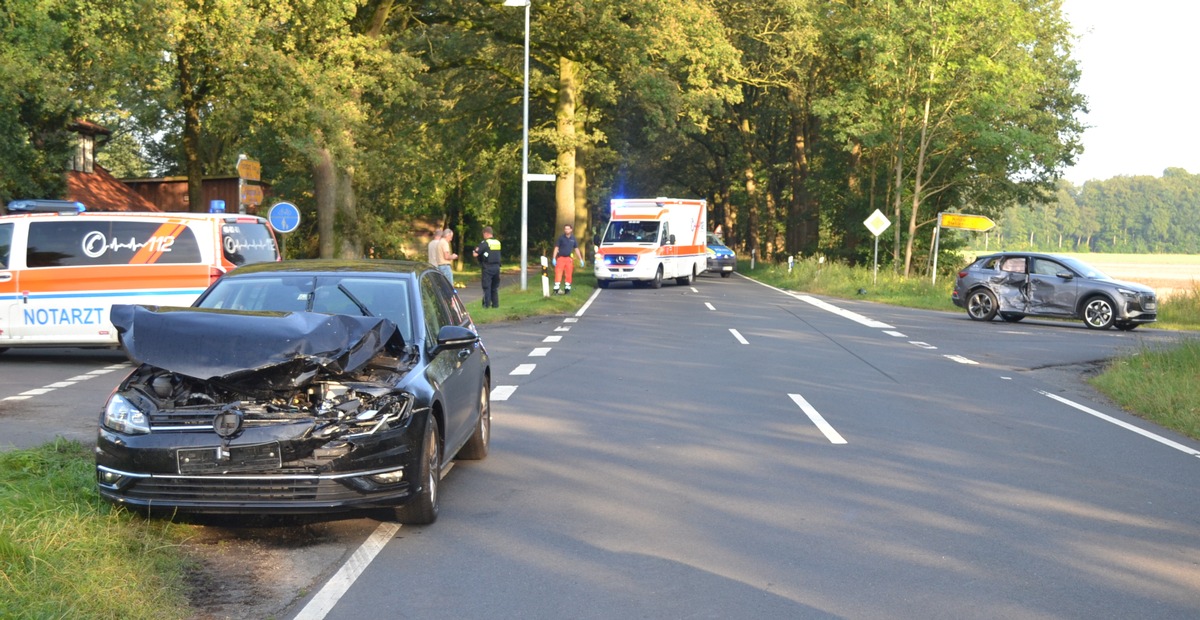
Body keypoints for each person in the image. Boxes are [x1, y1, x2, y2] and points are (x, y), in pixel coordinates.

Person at [473, 226, 502, 308]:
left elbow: (476, 254)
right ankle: (495, 305)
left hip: (488, 267)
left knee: (487, 287)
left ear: (486, 233)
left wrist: (475, 251)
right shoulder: (497, 242)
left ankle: (486, 305)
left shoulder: (485, 243)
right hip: (497, 267)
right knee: (494, 288)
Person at [552, 224, 584, 295]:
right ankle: (556, 289)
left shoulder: (573, 239)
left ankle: (567, 289)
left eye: (568, 229)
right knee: (558, 273)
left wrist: (580, 259)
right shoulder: (561, 238)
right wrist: (554, 258)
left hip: (569, 259)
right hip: (560, 258)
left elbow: (576, 249)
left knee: (569, 274)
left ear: (571, 230)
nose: (566, 230)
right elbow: (556, 248)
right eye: (565, 229)